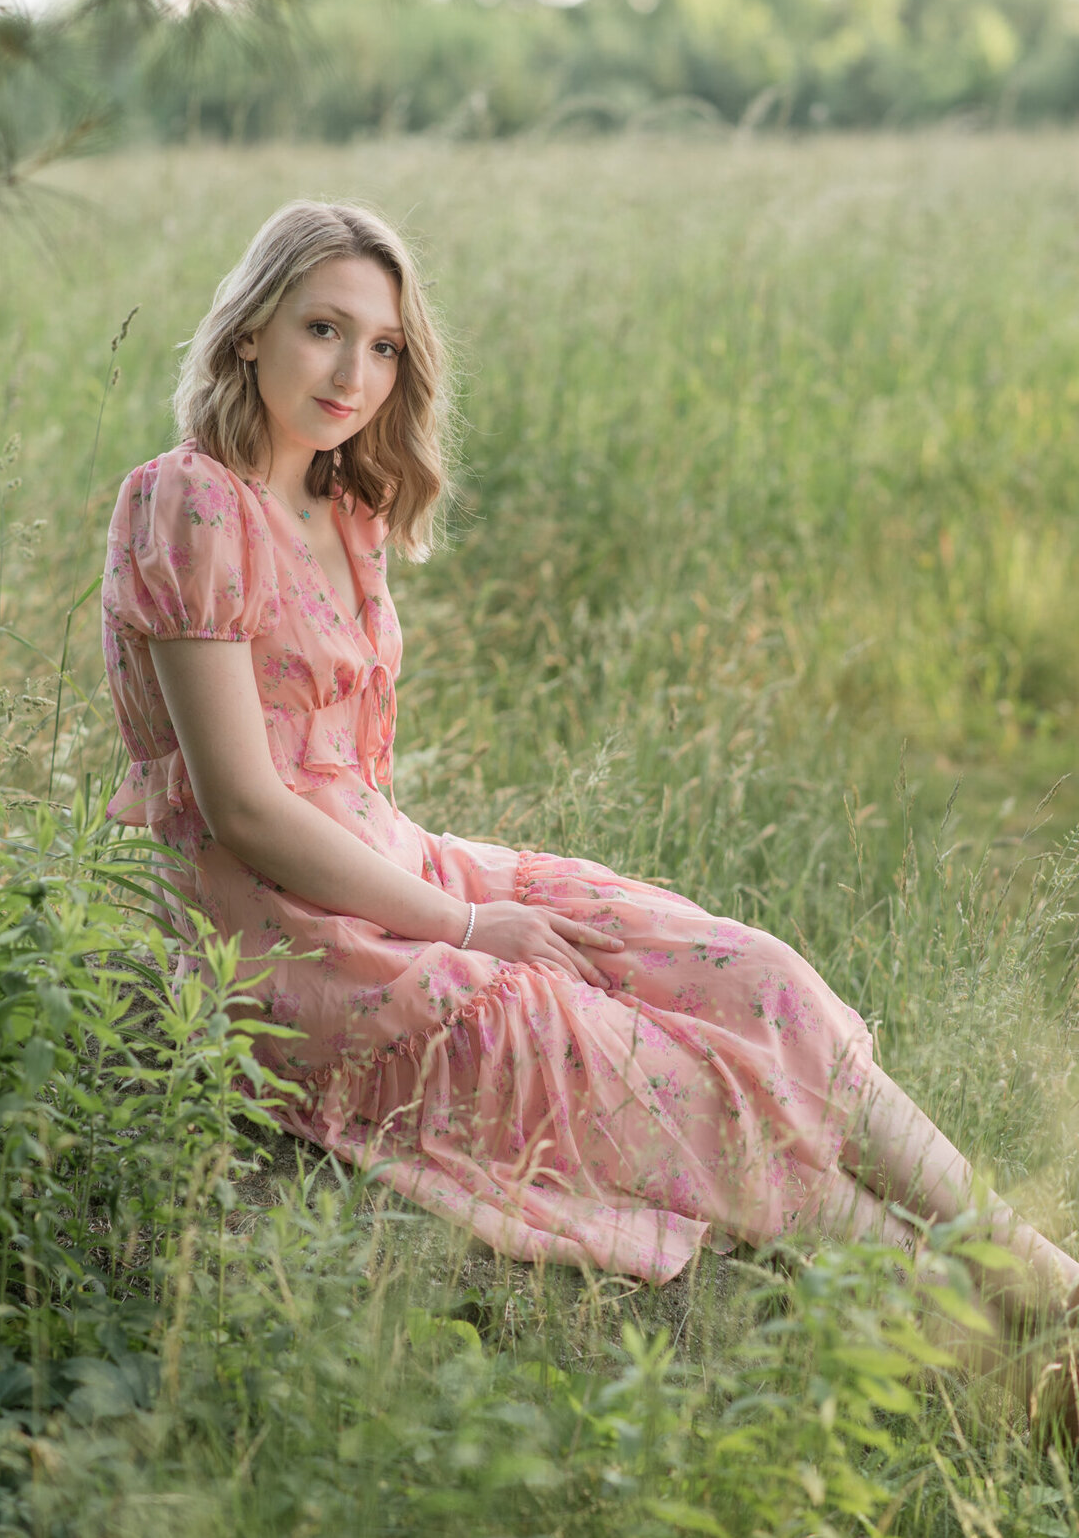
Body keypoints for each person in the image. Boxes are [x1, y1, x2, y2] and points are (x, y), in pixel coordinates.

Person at [102, 199, 1077, 1440]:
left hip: (393, 863)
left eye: (384, 345)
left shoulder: (344, 507)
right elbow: (244, 807)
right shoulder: (186, 501)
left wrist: (467, 895)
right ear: (249, 333)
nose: (355, 372)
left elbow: (357, 779)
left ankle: (1047, 1283)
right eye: (323, 330)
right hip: (288, 931)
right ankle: (1014, 1331)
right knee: (657, 1071)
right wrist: (470, 923)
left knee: (754, 977)